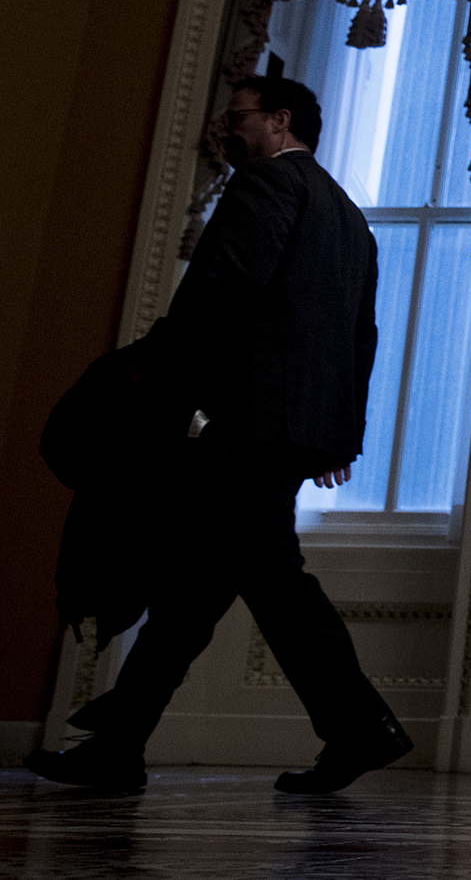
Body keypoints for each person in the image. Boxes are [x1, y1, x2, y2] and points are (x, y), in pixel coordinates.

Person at [26, 75, 412, 794]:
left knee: (270, 577)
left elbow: (222, 291)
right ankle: (119, 744)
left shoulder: (265, 183)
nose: (225, 129)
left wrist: (158, 380)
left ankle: (363, 726)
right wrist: (340, 438)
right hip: (294, 429)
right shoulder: (349, 219)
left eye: (237, 117)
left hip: (248, 424)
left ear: (280, 121)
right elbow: (360, 338)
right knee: (198, 586)